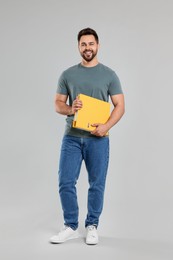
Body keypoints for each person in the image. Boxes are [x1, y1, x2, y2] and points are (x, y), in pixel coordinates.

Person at [50, 28, 125, 245]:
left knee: (97, 183)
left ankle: (92, 225)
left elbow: (120, 106)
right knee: (65, 181)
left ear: (98, 45)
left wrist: (106, 126)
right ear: (78, 47)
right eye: (83, 44)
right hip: (72, 137)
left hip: (99, 139)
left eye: (91, 44)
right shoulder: (67, 74)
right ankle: (70, 226)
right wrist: (71, 109)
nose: (87, 48)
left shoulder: (109, 75)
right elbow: (58, 104)